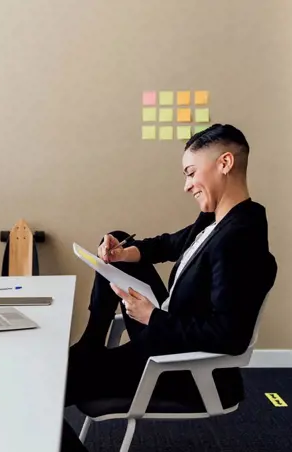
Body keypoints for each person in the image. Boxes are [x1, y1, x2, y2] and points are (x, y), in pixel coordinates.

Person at [60, 124, 277, 451]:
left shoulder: (240, 238)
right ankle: (91, 342)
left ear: (225, 163)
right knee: (118, 235)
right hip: (165, 337)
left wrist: (151, 317)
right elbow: (170, 244)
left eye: (191, 173)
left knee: (49, 382)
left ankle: (88, 355)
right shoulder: (216, 220)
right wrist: (123, 253)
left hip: (179, 368)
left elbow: (230, 337)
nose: (187, 185)